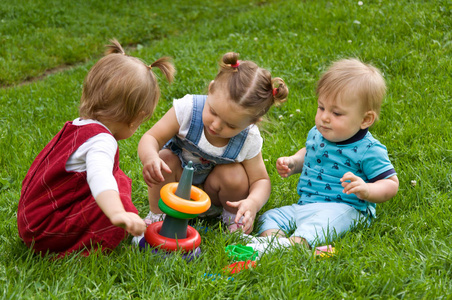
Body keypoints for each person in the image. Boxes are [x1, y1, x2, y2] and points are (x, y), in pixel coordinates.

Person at [17, 39, 175, 257]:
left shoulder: (78, 126)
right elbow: (100, 177)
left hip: (33, 218)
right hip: (47, 231)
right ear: (135, 119)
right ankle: (103, 241)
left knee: (117, 177)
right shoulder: (102, 141)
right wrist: (118, 212)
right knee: (117, 186)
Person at [246, 58, 399, 254]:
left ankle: (296, 244)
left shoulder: (369, 149)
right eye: (322, 107)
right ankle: (274, 241)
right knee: (270, 216)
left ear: (365, 119)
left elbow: (391, 184)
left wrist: (367, 190)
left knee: (321, 224)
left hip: (346, 208)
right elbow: (309, 153)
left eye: (337, 113)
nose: (325, 117)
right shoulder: (317, 133)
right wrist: (294, 162)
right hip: (306, 205)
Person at [138, 52, 288, 234]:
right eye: (213, 112)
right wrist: (150, 157)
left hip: (214, 196)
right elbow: (151, 138)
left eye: (230, 125)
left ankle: (232, 217)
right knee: (164, 159)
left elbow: (260, 180)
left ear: (251, 123)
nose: (216, 125)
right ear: (211, 89)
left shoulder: (249, 138)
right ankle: (158, 216)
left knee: (234, 174)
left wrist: (253, 202)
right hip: (176, 188)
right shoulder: (187, 110)